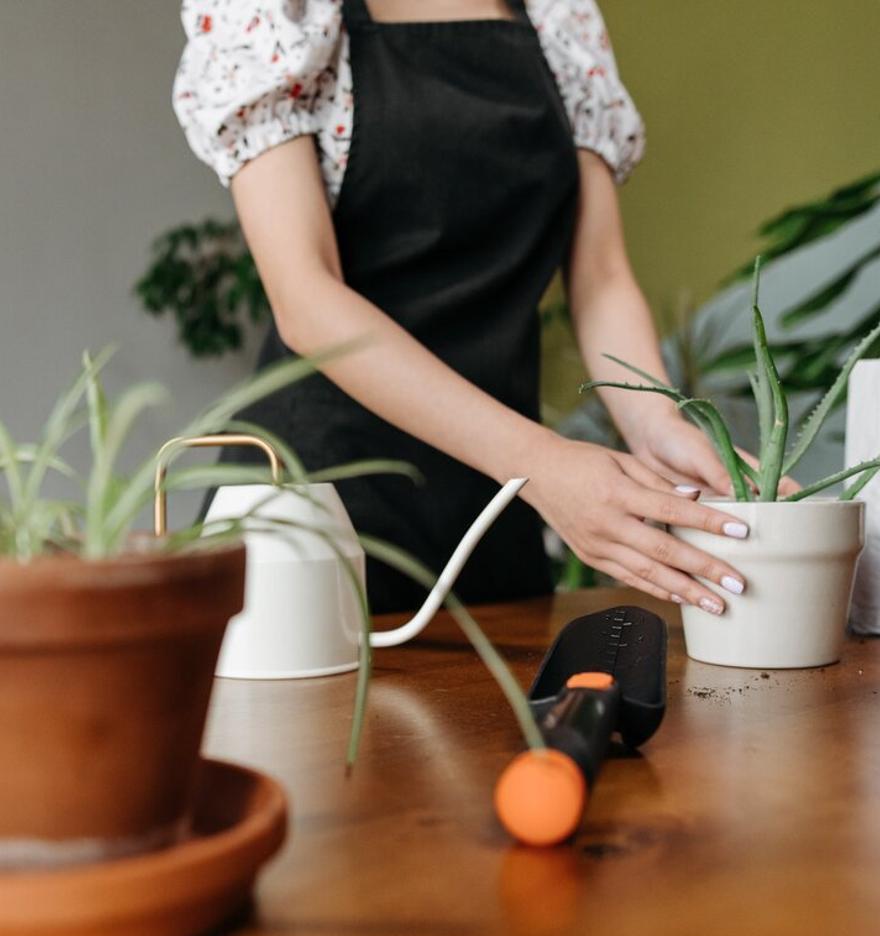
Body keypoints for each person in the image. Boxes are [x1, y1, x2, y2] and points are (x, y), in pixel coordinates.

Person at [174, 0, 789, 615]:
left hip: (498, 511)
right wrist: (539, 463)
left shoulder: (557, 15)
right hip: (320, 509)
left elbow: (599, 276)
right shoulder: (280, 13)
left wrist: (660, 427)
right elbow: (307, 298)